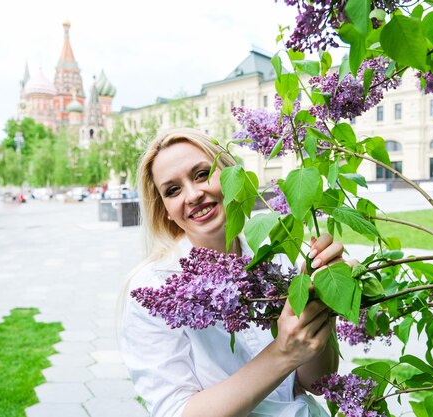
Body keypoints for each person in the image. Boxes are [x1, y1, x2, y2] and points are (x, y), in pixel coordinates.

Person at [119, 128, 355, 417]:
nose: (193, 195)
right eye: (173, 190)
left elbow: (317, 382)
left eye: (202, 174)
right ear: (166, 209)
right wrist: (282, 353)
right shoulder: (155, 289)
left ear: (232, 174)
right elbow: (176, 412)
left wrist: (322, 300)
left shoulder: (277, 253)